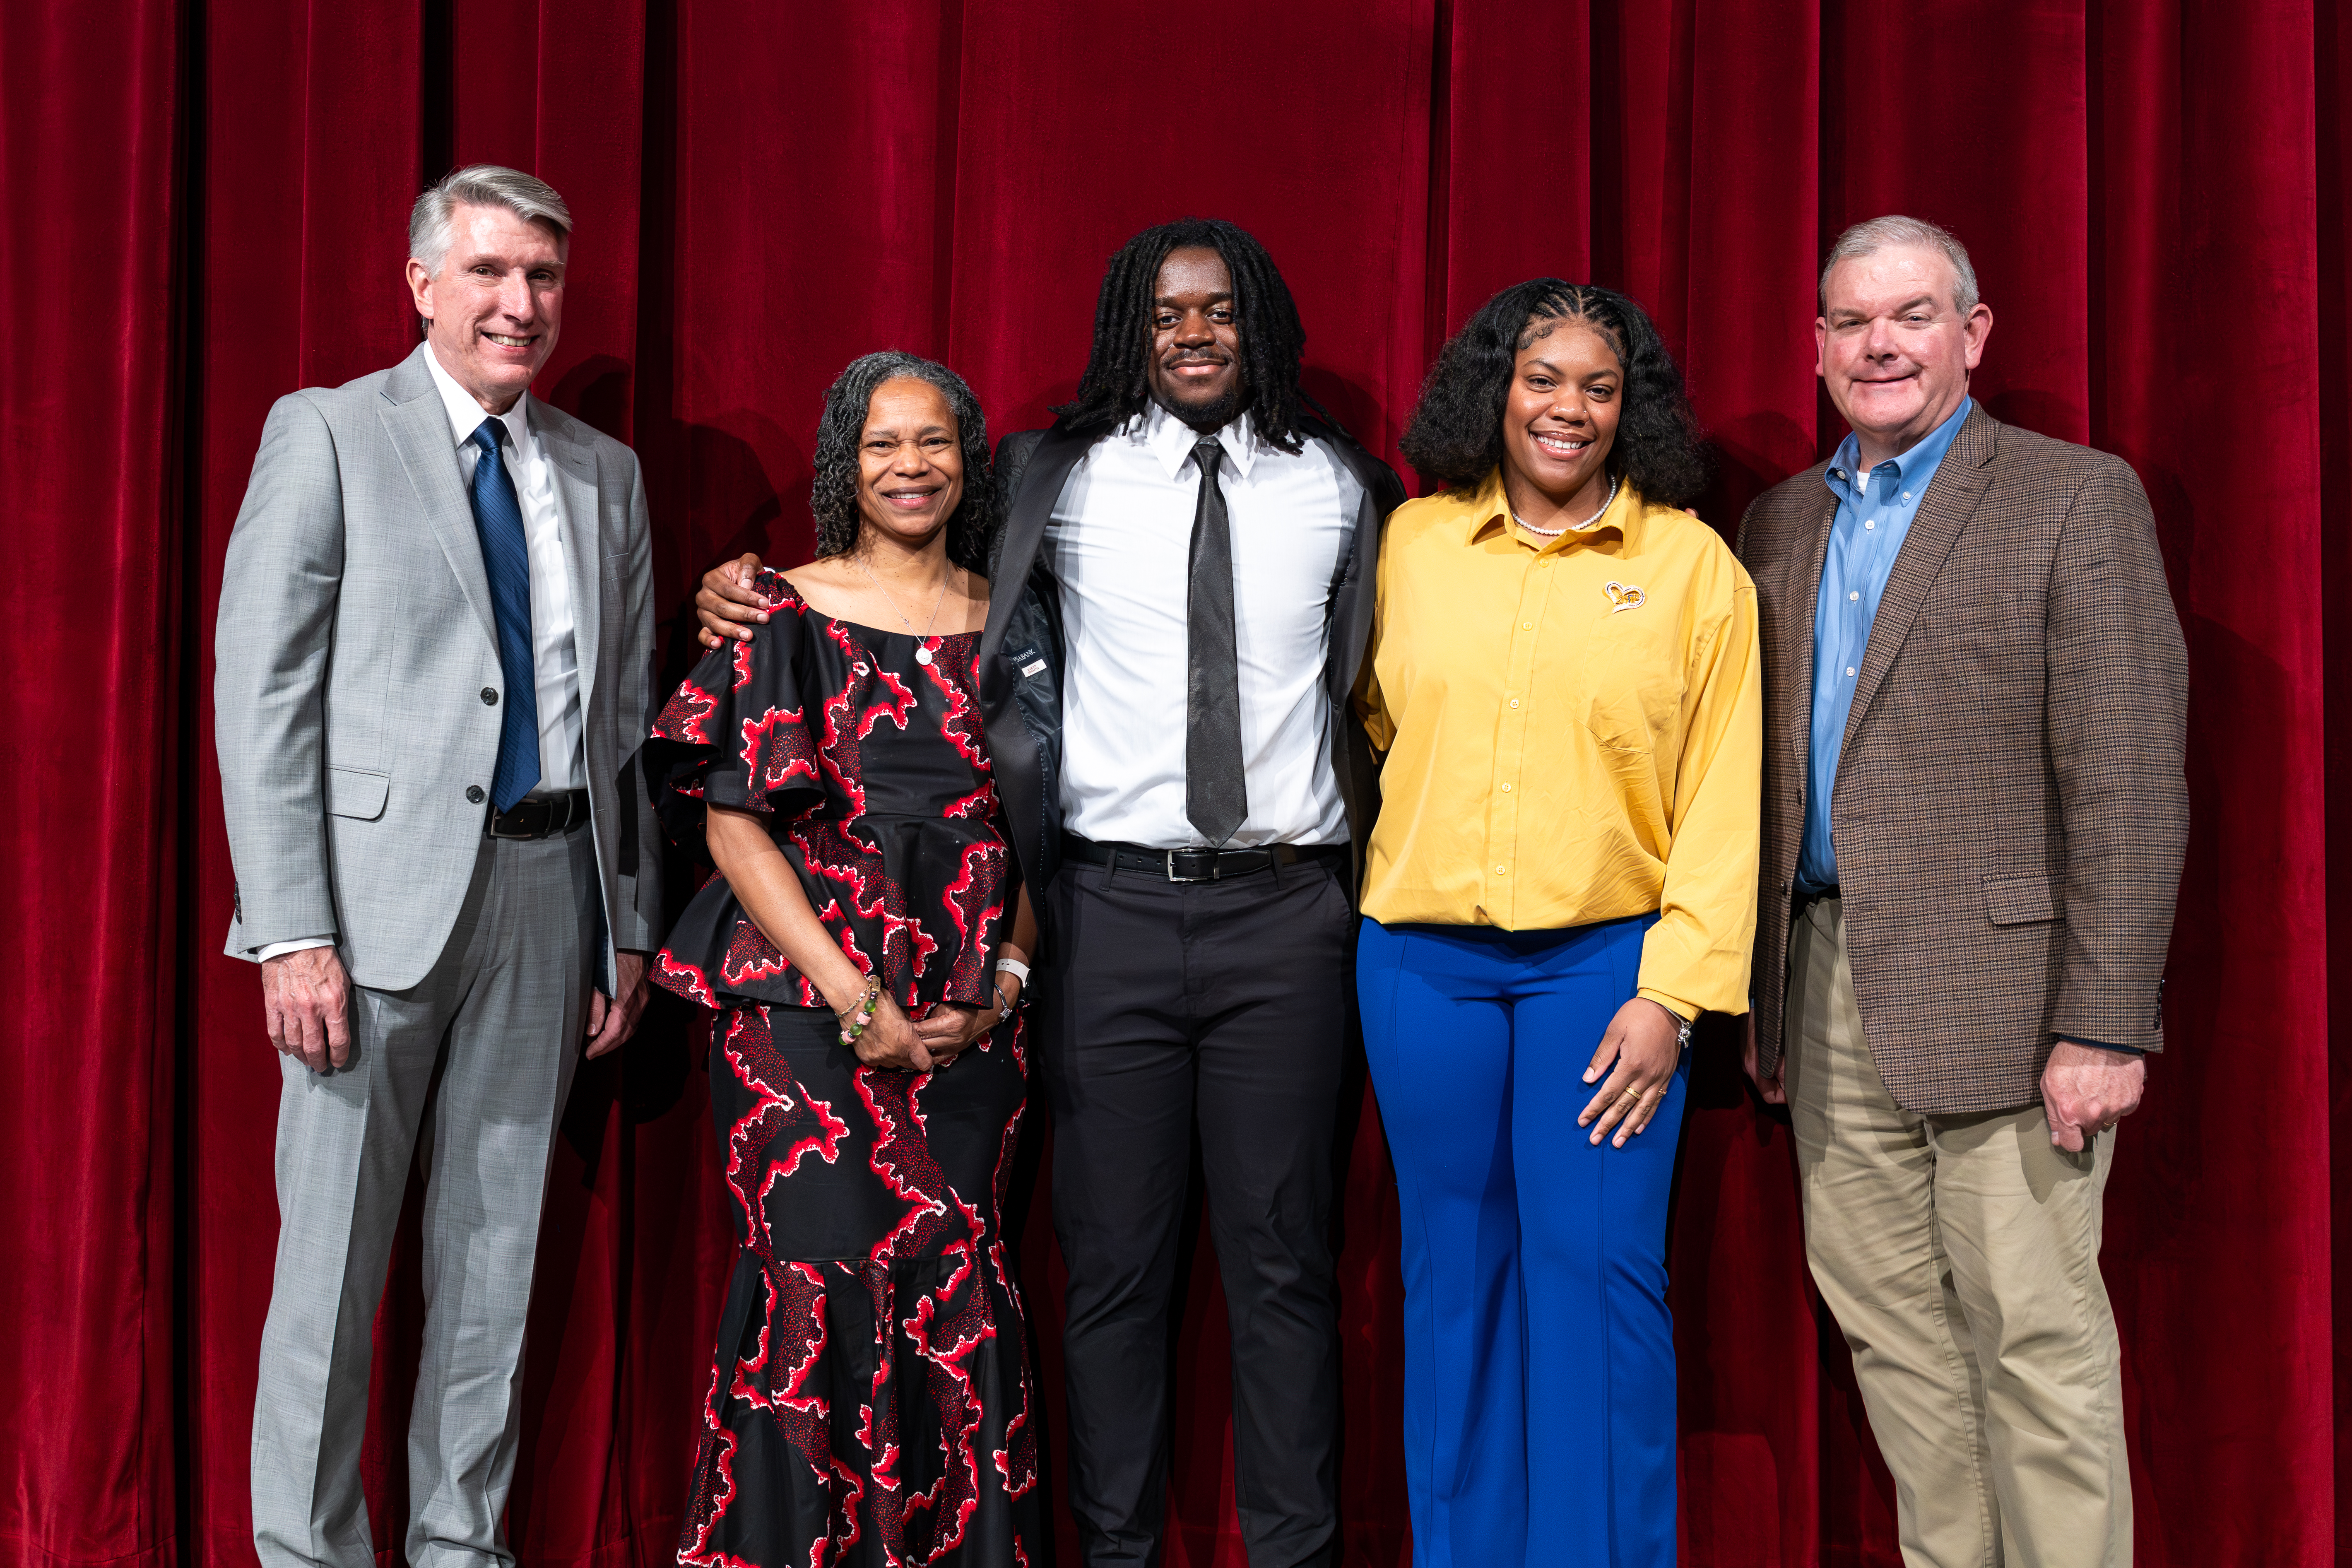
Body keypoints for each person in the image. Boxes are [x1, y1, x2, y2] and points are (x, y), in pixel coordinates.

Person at [696, 219, 1406, 1568]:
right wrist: (728, 594)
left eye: (1216, 311)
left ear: (1258, 321)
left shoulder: (1346, 485)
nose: (1191, 335)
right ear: (1126, 332)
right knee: (1113, 1273)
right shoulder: (1048, 476)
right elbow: (894, 592)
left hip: (1287, 916)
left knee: (1284, 1270)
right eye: (1162, 313)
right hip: (1107, 916)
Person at [214, 165, 662, 1568]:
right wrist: (289, 927)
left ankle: (458, 1547)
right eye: (488, 273)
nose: (517, 305)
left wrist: (625, 925)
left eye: (540, 278)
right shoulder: (331, 433)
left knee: (494, 1268)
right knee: (331, 1276)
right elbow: (262, 691)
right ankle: (307, 1553)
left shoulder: (604, 471)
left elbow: (629, 713)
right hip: (365, 915)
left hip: (550, 899)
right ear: (423, 284)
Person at [1737, 215, 2188, 1567]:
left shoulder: (2071, 495)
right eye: (1853, 321)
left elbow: (2127, 772)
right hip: (1822, 988)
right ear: (1818, 348)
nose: (1880, 343)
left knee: (2035, 1342)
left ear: (1973, 334)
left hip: (2010, 1000)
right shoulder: (1777, 520)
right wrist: (1762, 997)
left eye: (1913, 316)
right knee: (1901, 1353)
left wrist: (2105, 1018)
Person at [1356, 281, 1760, 1566]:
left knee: (1597, 1284)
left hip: (1608, 973)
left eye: (1598, 385)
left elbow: (1722, 792)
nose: (1568, 409)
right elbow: (1380, 726)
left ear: (1628, 408)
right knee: (1452, 1281)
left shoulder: (1690, 564)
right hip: (1422, 967)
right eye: (1543, 379)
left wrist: (1674, 994)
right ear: (1495, 389)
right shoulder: (1413, 543)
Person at [648, 351, 1042, 1566]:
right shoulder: (777, 607)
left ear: (969, 460)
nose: (910, 466)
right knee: (814, 1281)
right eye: (883, 444)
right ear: (844, 463)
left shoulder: (1020, 617)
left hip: (971, 1021)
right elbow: (731, 816)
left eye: (933, 442)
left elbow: (1050, 828)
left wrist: (1003, 986)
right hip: (803, 1010)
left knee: (954, 1282)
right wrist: (851, 991)